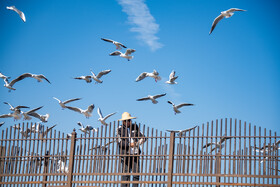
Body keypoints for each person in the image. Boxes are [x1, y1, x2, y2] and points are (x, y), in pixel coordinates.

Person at [116, 112, 146, 187]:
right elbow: (119, 142)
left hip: (135, 154)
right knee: (125, 174)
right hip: (125, 154)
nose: (128, 122)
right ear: (123, 121)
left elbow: (143, 137)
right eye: (126, 121)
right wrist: (129, 145)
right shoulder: (119, 129)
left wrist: (139, 142)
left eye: (129, 120)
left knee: (136, 174)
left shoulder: (135, 126)